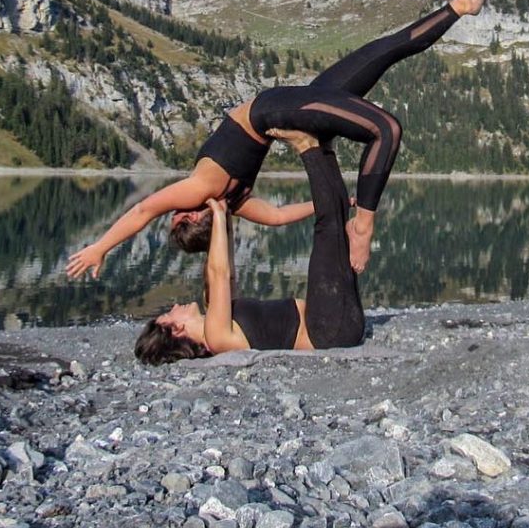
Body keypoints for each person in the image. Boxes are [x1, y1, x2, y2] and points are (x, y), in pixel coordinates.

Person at [66, 0, 498, 281]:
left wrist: (103, 247)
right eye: (176, 219)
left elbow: (270, 216)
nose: (173, 212)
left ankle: (461, 5)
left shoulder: (220, 195)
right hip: (280, 112)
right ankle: (364, 226)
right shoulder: (203, 194)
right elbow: (268, 216)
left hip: (277, 110)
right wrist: (341, 205)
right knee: (386, 117)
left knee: (383, 72)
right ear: (187, 218)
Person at [134, 129, 364, 364]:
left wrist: (223, 216)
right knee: (328, 224)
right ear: (175, 329)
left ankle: (323, 144)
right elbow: (219, 273)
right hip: (329, 330)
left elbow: (225, 269)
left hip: (334, 320)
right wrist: (218, 213)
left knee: (332, 214)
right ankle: (308, 145)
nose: (174, 306)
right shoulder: (216, 338)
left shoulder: (217, 318)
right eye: (169, 313)